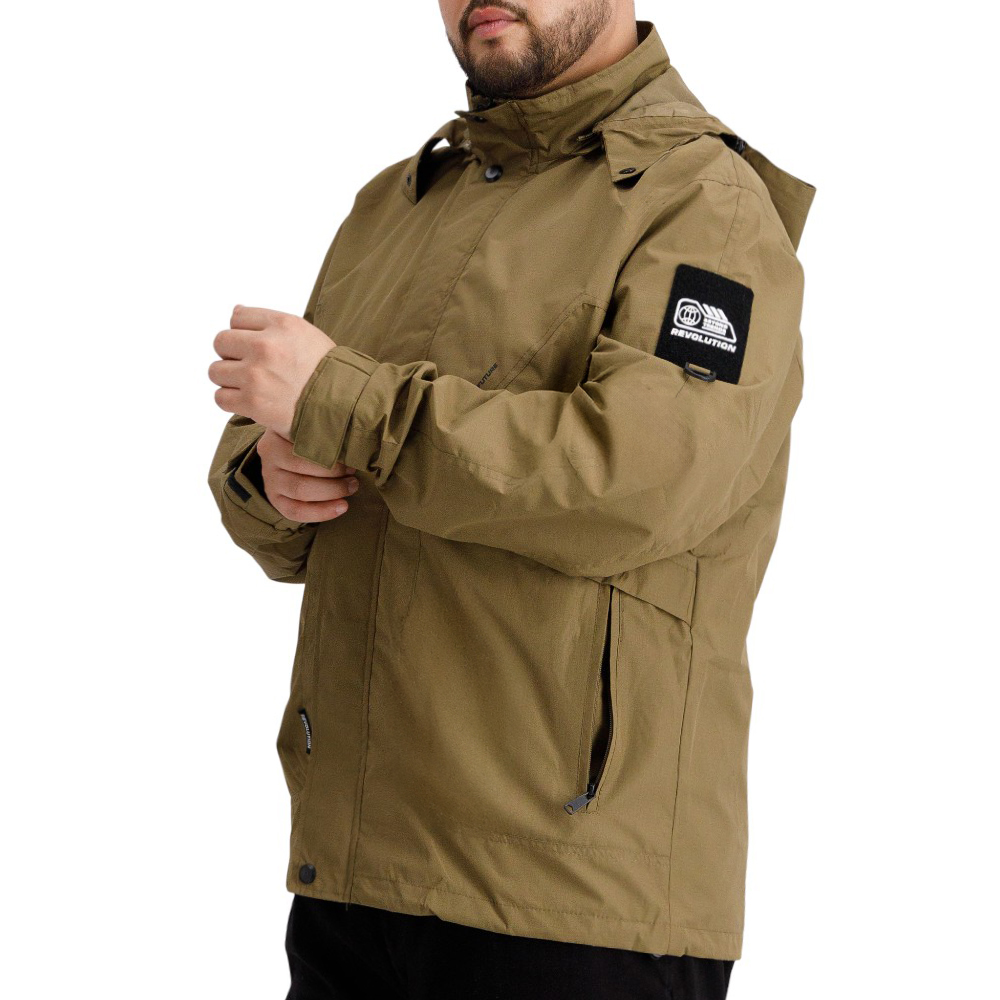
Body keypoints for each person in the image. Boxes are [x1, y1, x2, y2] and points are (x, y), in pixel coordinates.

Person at [206, 2, 815, 997]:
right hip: (353, 880)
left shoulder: (704, 203)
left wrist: (349, 407)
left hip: (571, 903)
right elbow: (302, 477)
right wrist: (270, 476)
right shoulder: (396, 206)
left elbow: (637, 486)